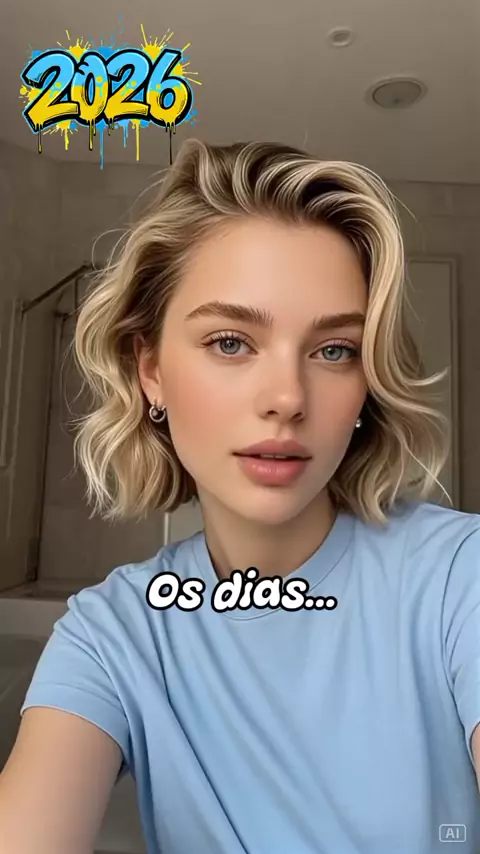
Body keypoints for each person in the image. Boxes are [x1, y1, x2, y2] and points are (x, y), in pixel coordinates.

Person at [0, 138, 479, 854]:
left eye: (334, 350)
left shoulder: (458, 577)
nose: (287, 397)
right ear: (151, 370)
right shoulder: (113, 635)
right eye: (230, 342)